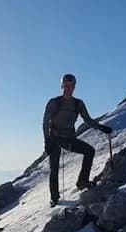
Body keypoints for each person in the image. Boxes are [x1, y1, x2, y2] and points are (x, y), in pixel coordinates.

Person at [43, 73, 112, 206]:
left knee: (89, 151)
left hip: (69, 138)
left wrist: (101, 128)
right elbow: (45, 122)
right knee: (54, 168)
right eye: (66, 85)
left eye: (71, 85)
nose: (68, 88)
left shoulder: (78, 104)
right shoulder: (54, 102)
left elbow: (87, 120)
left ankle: (82, 181)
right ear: (62, 85)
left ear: (74, 86)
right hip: (55, 139)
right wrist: (47, 140)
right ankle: (55, 198)